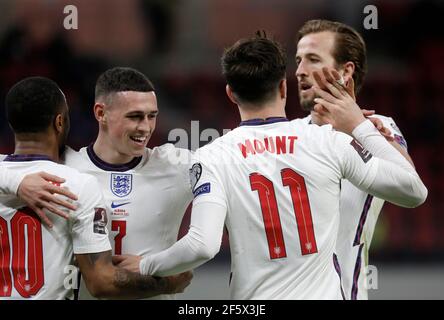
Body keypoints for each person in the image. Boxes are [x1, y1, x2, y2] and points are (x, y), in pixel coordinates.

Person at [114, 33, 427, 299]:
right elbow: (413, 191)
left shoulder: (213, 157)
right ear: (283, 87)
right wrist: (360, 125)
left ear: (230, 93)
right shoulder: (328, 141)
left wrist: (144, 264)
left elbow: (202, 246)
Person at [0, 67, 193, 300]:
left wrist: (15, 180)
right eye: (134, 116)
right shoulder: (71, 175)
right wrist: (167, 281)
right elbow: (102, 282)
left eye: (152, 116)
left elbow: (233, 166)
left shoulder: (177, 164)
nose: (145, 127)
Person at [294, 19, 414, 299]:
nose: (300, 71)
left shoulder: (376, 128)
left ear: (346, 70)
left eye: (313, 59)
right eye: (298, 60)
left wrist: (358, 127)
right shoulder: (288, 135)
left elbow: (412, 189)